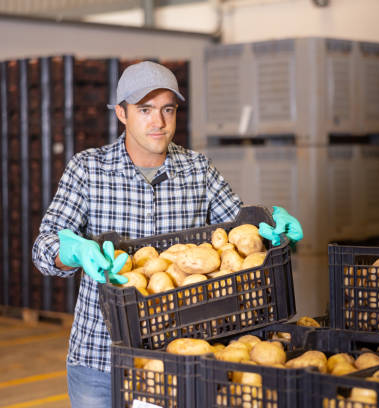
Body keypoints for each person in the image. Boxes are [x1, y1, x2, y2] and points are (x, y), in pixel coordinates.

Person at [31, 61, 302, 407]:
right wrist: (72, 252)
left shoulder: (198, 170)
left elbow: (239, 231)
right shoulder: (87, 169)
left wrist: (270, 225)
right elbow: (44, 247)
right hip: (100, 358)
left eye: (167, 110)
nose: (158, 122)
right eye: (145, 110)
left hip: (177, 358)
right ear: (121, 113)